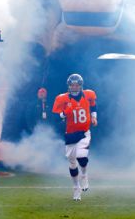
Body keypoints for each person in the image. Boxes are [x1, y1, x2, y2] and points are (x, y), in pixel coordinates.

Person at [52, 73, 97, 201]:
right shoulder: (62, 99)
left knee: (82, 156)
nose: (75, 87)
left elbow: (93, 105)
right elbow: (54, 117)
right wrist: (65, 113)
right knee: (72, 163)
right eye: (72, 85)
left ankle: (84, 175)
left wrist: (94, 117)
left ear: (81, 86)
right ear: (69, 86)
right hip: (70, 133)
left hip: (84, 132)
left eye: (77, 85)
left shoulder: (88, 95)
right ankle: (76, 187)